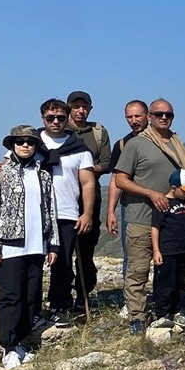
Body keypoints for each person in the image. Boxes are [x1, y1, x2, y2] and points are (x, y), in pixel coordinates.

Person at [114, 98, 185, 334]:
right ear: (150, 116)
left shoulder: (180, 144)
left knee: (170, 269)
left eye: (168, 114)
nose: (163, 118)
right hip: (141, 216)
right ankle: (137, 316)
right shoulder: (136, 144)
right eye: (158, 114)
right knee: (138, 269)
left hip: (172, 220)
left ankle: (167, 310)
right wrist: (150, 193)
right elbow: (120, 179)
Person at [0, 126, 59, 369]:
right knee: (11, 297)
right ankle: (8, 347)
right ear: (12, 145)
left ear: (36, 146)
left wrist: (53, 244)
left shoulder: (43, 176)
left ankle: (20, 344)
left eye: (30, 141)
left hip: (37, 246)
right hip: (9, 247)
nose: (25, 145)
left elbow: (51, 210)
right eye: (20, 141)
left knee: (30, 297)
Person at [33, 99, 96, 326]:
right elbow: (10, 166)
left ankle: (59, 305)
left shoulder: (78, 147)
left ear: (66, 118)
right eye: (51, 117)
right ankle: (33, 308)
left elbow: (88, 183)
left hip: (67, 213)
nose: (56, 122)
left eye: (60, 117)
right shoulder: (31, 143)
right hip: (35, 214)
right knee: (34, 263)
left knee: (63, 264)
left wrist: (87, 213)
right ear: (43, 118)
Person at [65, 91, 111, 306]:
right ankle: (62, 295)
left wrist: (87, 170)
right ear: (69, 108)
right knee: (62, 250)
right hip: (63, 198)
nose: (80, 110)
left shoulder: (98, 132)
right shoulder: (57, 130)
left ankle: (83, 295)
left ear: (90, 109)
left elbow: (108, 161)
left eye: (85, 107)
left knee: (85, 251)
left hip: (89, 198)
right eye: (76, 106)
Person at [151, 169, 185, 330]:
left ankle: (179, 311)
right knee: (166, 283)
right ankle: (162, 314)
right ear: (174, 187)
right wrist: (156, 250)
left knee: (181, 283)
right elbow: (155, 228)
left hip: (184, 250)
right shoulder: (163, 203)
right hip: (167, 251)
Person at [107, 100, 148, 278]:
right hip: (130, 206)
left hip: (161, 204)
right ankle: (129, 299)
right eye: (129, 117)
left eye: (137, 116)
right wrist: (110, 211)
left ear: (147, 115)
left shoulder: (163, 141)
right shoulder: (122, 145)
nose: (134, 120)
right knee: (130, 254)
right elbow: (115, 179)